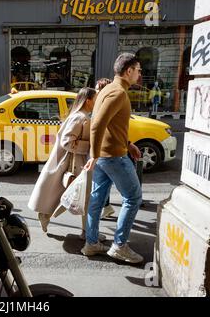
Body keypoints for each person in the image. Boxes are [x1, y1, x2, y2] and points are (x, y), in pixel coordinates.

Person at [81, 53, 144, 264]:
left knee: (97, 199)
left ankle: (91, 243)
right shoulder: (118, 93)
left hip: (106, 155)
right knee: (133, 198)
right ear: (128, 71)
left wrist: (128, 144)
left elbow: (111, 125)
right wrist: (95, 155)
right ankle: (119, 246)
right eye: (138, 70)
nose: (140, 74)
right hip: (113, 157)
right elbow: (97, 124)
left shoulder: (108, 89)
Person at [28, 87, 97, 233]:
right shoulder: (80, 117)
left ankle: (47, 215)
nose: (97, 102)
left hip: (73, 161)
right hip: (74, 162)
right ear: (88, 100)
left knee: (75, 196)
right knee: (84, 197)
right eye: (95, 99)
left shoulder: (79, 115)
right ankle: (87, 233)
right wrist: (90, 145)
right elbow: (67, 142)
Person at [95, 78, 115, 220]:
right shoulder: (101, 104)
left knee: (103, 182)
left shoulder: (105, 105)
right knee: (103, 182)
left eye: (97, 89)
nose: (95, 91)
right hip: (103, 151)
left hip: (106, 152)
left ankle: (105, 206)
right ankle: (106, 206)